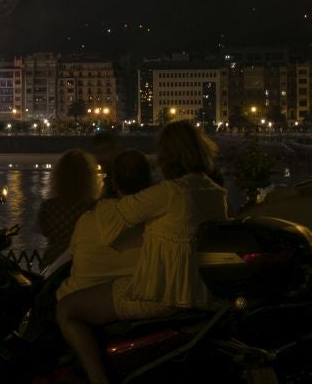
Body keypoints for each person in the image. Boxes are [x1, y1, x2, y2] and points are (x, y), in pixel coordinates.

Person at [56, 120, 229, 384]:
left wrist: (101, 199)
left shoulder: (171, 192)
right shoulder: (216, 192)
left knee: (67, 309)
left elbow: (116, 215)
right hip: (199, 290)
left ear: (168, 155)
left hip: (160, 293)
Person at [56, 150, 153, 299]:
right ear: (150, 182)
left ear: (114, 183)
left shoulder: (88, 220)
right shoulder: (159, 223)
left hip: (79, 298)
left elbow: (73, 256)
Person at [37, 150, 100, 264]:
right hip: (83, 262)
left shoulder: (48, 206)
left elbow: (44, 231)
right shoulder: (94, 207)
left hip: (54, 262)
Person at [90, 131, 123, 196]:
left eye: (104, 151)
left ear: (116, 151)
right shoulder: (110, 180)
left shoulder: (121, 183)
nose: (99, 157)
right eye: (96, 152)